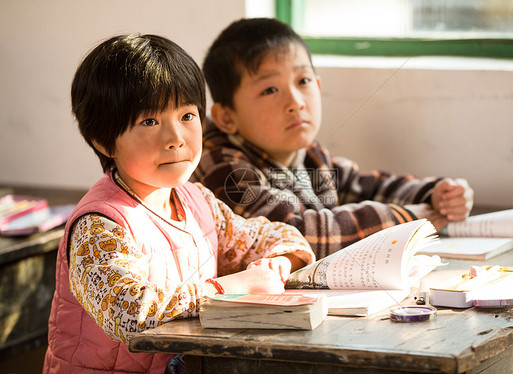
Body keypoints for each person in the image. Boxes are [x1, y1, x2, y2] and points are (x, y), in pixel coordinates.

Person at [43, 34, 314, 374]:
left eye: (187, 116)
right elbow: (130, 315)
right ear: (104, 140)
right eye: (150, 122)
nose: (175, 139)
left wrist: (276, 267)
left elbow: (275, 237)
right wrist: (233, 286)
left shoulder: (196, 201)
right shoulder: (99, 224)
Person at [192, 17, 474, 259]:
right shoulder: (219, 162)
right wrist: (411, 219)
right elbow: (295, 234)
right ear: (227, 117)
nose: (295, 102)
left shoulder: (309, 154)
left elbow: (364, 185)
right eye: (269, 90)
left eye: (303, 82)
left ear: (318, 85)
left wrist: (437, 194)